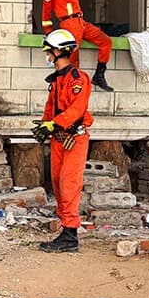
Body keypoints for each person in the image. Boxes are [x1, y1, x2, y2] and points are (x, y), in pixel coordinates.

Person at [31, 29, 93, 252]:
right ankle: (65, 229)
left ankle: (70, 234)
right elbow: (51, 107)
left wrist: (54, 123)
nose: (47, 56)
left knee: (69, 184)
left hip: (74, 139)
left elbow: (76, 110)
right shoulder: (57, 80)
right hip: (59, 139)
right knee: (57, 183)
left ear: (58, 51)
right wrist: (45, 124)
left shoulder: (78, 80)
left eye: (49, 52)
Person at [41, 0, 114, 92]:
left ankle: (99, 76)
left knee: (106, 42)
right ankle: (69, 89)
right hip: (69, 23)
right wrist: (49, 31)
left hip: (81, 22)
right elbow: (46, 8)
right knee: (73, 59)